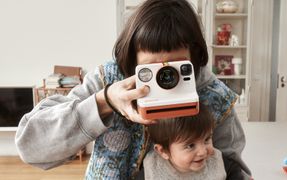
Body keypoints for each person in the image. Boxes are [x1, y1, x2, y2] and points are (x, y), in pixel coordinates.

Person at [15, 0, 251, 179]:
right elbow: (30, 146)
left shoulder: (214, 95)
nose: (165, 76)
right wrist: (104, 101)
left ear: (195, 58)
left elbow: (230, 169)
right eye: (151, 69)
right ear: (132, 61)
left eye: (175, 68)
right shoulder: (108, 79)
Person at [142, 104, 227, 179]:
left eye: (206, 139)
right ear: (163, 151)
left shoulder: (219, 163)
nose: (202, 152)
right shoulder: (151, 171)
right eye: (190, 146)